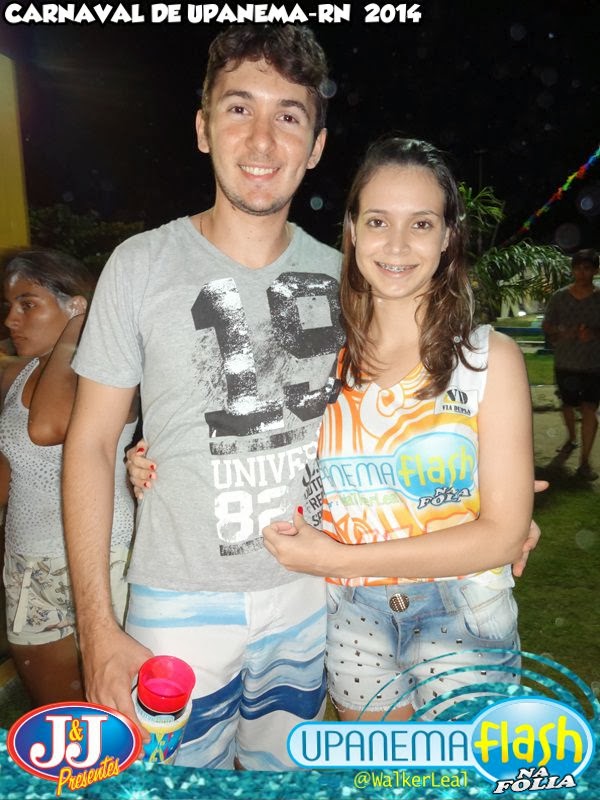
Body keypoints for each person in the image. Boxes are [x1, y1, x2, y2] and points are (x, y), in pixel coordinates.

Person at [62, 25, 344, 771]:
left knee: (289, 781)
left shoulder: (347, 277)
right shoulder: (139, 266)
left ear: (316, 145)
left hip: (309, 595)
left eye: (289, 115)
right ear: (202, 128)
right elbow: (90, 443)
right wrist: (98, 631)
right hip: (176, 606)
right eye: (238, 108)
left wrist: (490, 503)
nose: (262, 139)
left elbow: (394, 418)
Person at [261, 136, 534, 721]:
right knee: (379, 768)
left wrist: (335, 561)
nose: (397, 245)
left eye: (422, 224)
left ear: (448, 236)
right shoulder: (318, 360)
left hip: (463, 609)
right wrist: (154, 459)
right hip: (352, 619)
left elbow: (503, 536)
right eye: (378, 221)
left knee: (458, 769)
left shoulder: (489, 359)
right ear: (353, 230)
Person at [0, 249, 136, 707]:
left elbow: (47, 427)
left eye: (28, 304)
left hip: (104, 558)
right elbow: (13, 474)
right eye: (10, 306)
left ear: (75, 304)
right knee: (57, 717)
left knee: (116, 713)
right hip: (28, 564)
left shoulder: (110, 370)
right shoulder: (20, 375)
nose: (12, 320)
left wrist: (81, 326)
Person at [543, 248, 600, 480]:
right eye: (577, 268)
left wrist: (594, 333)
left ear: (595, 270)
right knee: (567, 405)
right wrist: (561, 331)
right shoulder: (560, 296)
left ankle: (585, 461)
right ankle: (572, 438)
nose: (582, 273)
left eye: (587, 268)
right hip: (565, 362)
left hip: (593, 364)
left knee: (589, 409)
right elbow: (547, 325)